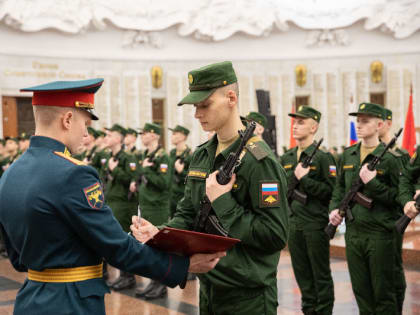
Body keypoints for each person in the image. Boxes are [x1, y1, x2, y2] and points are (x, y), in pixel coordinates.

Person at [0, 78, 224, 315]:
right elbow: (116, 247)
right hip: (72, 303)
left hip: (30, 298)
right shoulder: (73, 174)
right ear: (67, 120)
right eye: (85, 124)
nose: (86, 134)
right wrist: (184, 265)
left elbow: (17, 257)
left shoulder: (11, 174)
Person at [131, 61, 289, 314]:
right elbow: (188, 213)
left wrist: (223, 201)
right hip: (210, 287)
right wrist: (158, 235)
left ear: (231, 97)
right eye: (195, 106)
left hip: (247, 295)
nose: (197, 114)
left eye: (205, 105)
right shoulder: (203, 155)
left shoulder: (260, 161)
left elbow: (274, 235)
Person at [328, 102, 402, 314]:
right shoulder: (348, 155)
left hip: (379, 234)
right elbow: (339, 188)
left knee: (383, 294)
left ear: (379, 125)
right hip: (353, 234)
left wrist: (373, 184)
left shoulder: (390, 159)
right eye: (357, 121)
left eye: (365, 121)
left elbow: (398, 199)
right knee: (361, 292)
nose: (359, 125)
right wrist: (334, 209)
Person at [281, 105, 335, 315]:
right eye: (295, 122)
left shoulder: (323, 158)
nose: (295, 126)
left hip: (315, 223)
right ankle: (309, 309)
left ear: (314, 128)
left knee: (320, 274)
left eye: (301, 122)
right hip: (294, 224)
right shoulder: (287, 158)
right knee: (302, 273)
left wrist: (306, 180)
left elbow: (330, 191)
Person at [130, 122, 171, 299]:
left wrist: (147, 169)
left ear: (154, 135)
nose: (142, 136)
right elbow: (139, 174)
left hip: (157, 207)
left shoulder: (163, 157)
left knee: (158, 247)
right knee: (149, 248)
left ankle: (161, 286)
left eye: (145, 133)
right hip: (146, 204)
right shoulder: (146, 155)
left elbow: (164, 183)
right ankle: (153, 282)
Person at [378, 107, 408, 314]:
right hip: (370, 222)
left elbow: (404, 189)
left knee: (394, 269)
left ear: (388, 123)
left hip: (392, 220)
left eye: (378, 121)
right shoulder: (365, 152)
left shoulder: (401, 155)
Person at [102, 123, 138, 290]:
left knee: (124, 240)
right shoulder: (110, 156)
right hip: (111, 201)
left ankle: (128, 277)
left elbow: (133, 179)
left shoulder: (127, 157)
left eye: (109, 136)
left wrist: (115, 170)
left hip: (123, 204)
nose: (105, 139)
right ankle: (121, 275)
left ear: (118, 138)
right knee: (115, 240)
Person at [168, 125, 192, 218]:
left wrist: (181, 171)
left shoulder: (190, 155)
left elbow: (192, 179)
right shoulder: (172, 153)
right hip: (171, 196)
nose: (172, 137)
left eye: (174, 134)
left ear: (183, 137)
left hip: (182, 196)